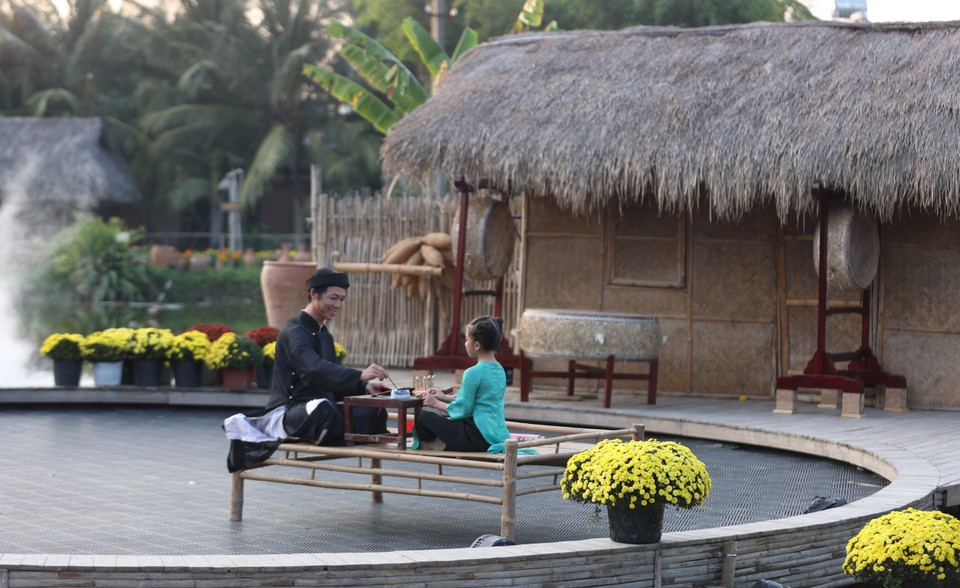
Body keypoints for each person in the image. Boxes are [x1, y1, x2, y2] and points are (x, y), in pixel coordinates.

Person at [225, 267, 390, 472]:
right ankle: (329, 430)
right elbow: (312, 369)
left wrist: (363, 387)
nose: (338, 304)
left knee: (374, 412)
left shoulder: (324, 335)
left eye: (342, 299)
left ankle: (329, 431)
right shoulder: (294, 330)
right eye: (333, 298)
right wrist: (359, 375)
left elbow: (331, 381)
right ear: (314, 294)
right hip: (292, 410)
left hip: (321, 408)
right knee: (322, 408)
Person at [413, 315, 512, 453]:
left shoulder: (473, 372)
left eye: (466, 339)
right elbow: (479, 401)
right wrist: (444, 397)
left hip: (475, 435)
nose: (465, 343)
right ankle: (444, 442)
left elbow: (463, 410)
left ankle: (440, 444)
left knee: (423, 418)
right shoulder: (500, 370)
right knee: (442, 419)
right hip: (495, 434)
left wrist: (434, 402)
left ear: (477, 345)